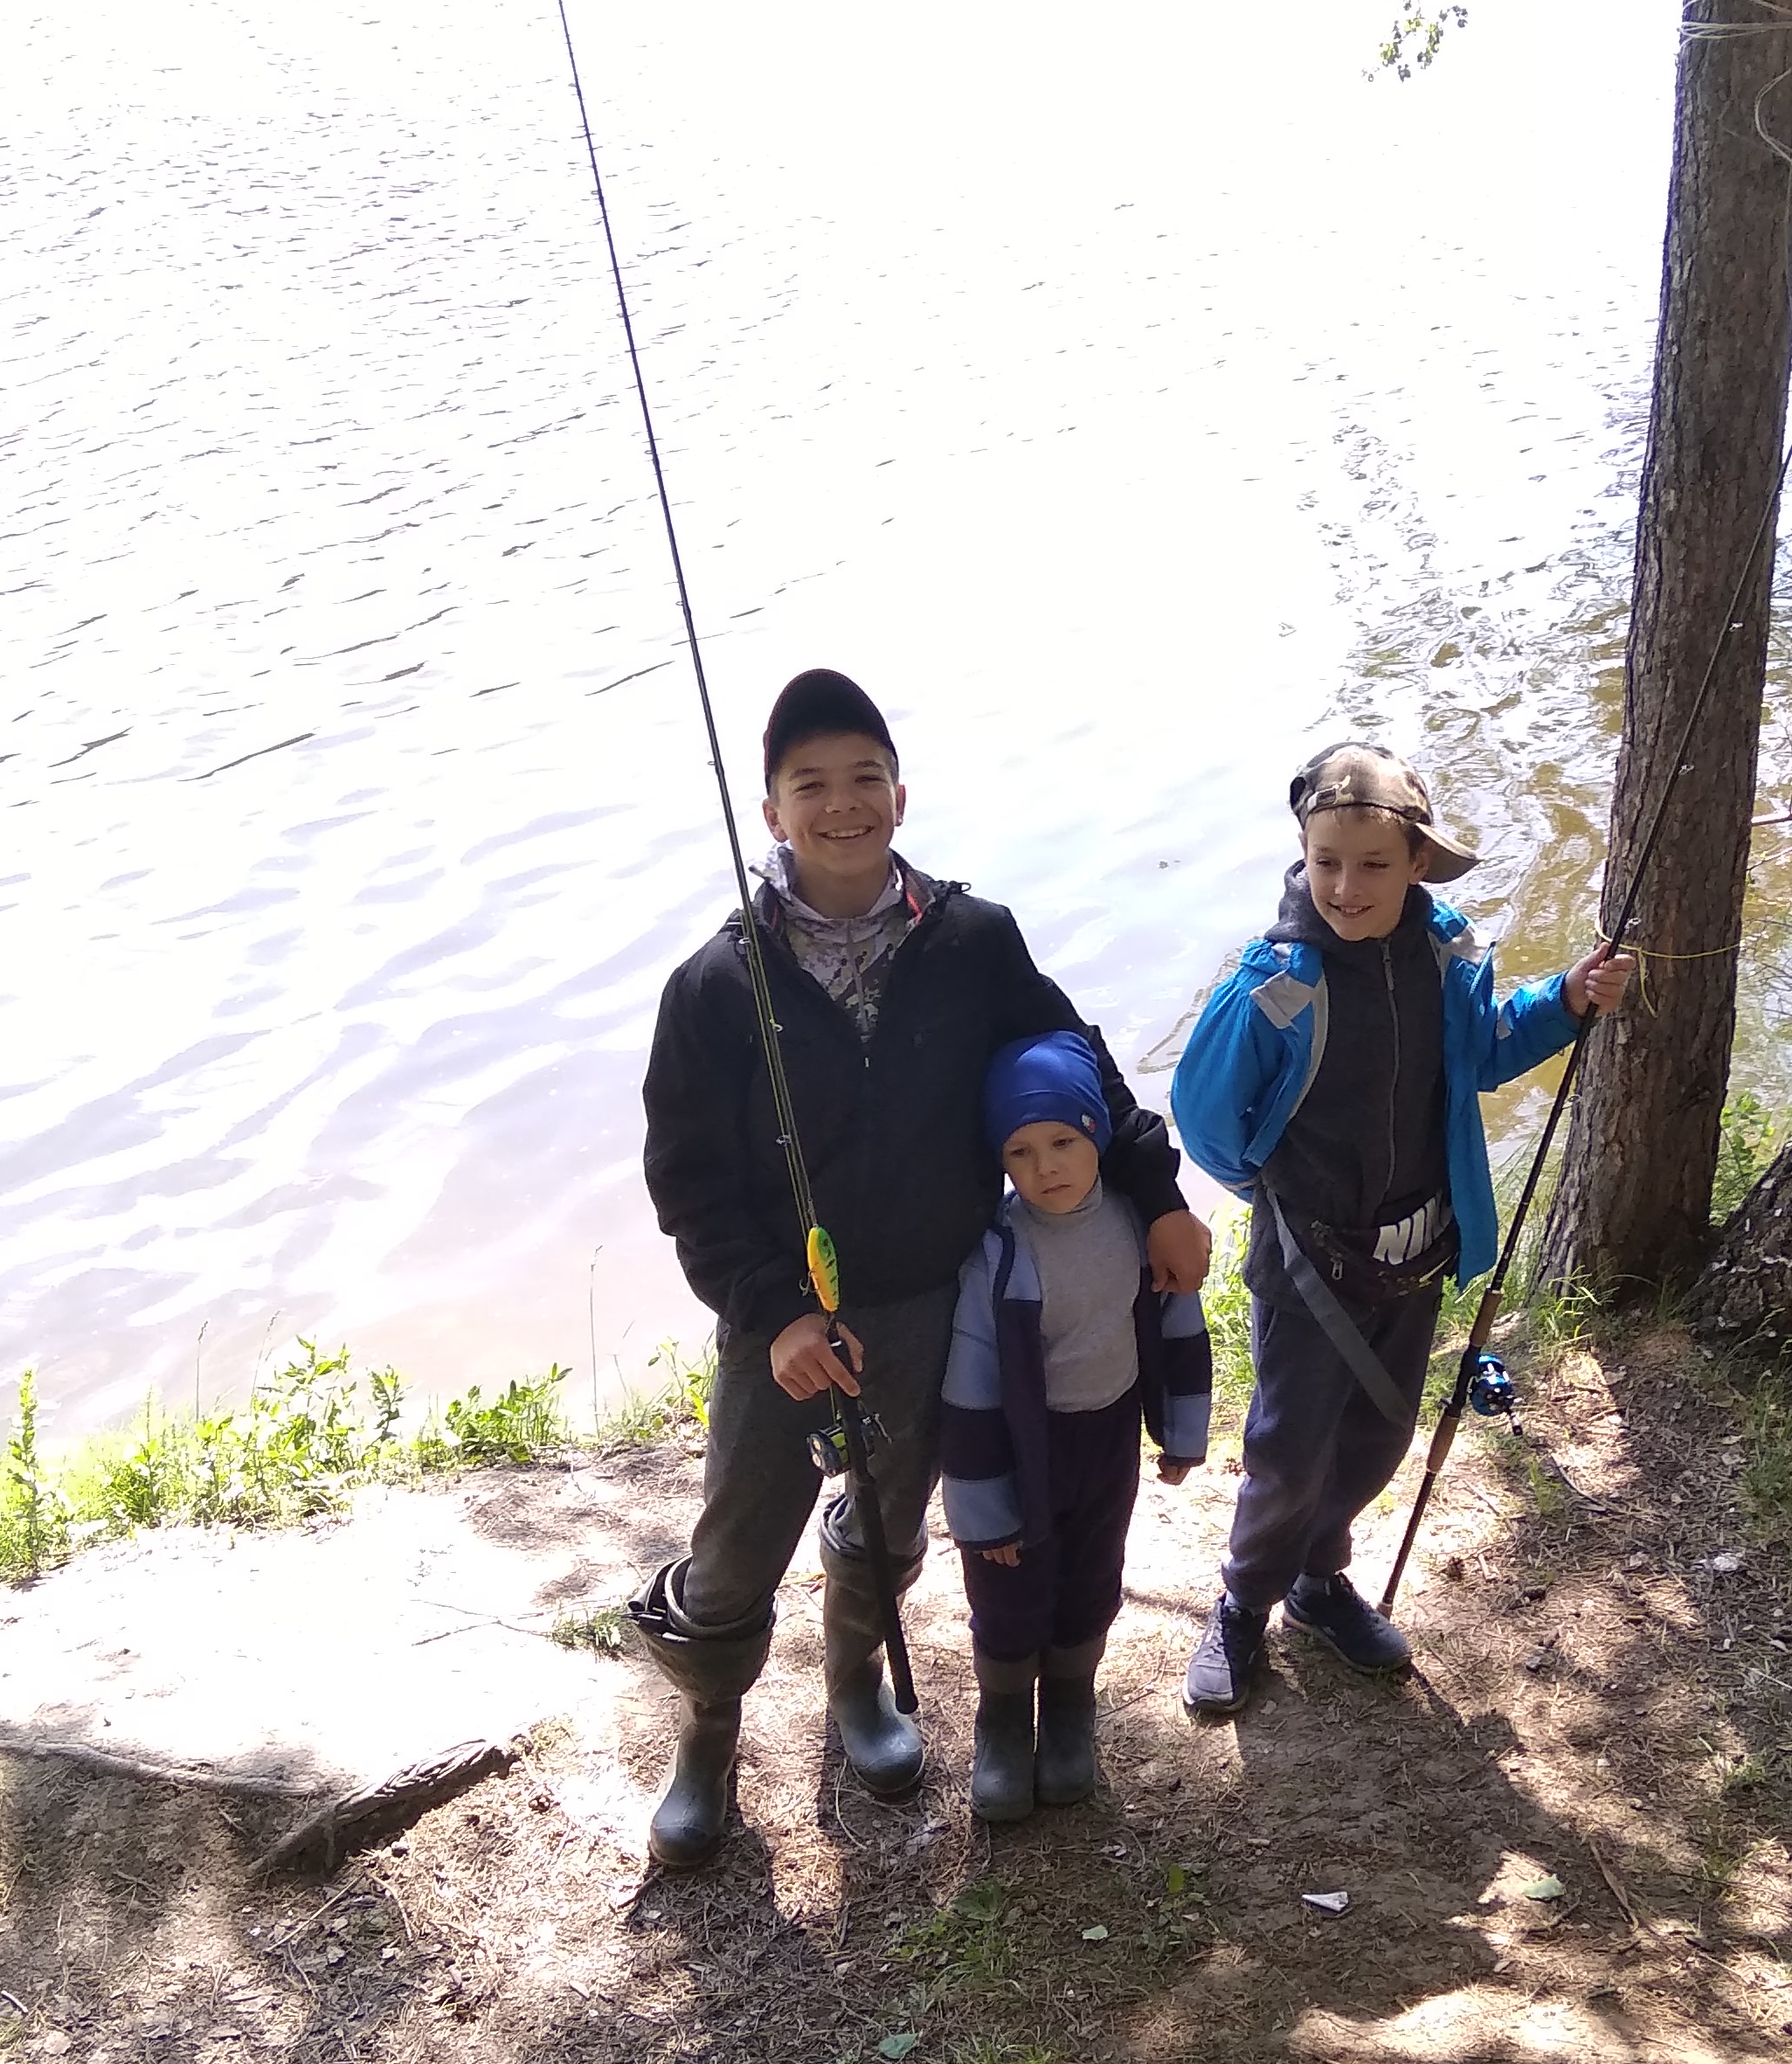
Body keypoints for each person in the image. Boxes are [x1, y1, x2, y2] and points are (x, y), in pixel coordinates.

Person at [635, 668, 1213, 1867]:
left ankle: (854, 1684)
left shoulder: (973, 940)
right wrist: (775, 1312)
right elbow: (687, 1181)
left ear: (900, 796)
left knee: (890, 1519)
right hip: (783, 1324)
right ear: (771, 812)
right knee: (738, 1537)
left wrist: (1156, 1194)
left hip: (933, 1299)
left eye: (865, 779)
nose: (841, 804)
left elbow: (1073, 1059)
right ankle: (707, 1732)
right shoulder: (714, 985)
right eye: (810, 786)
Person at [1167, 742, 1624, 1716]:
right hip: (1308, 1264)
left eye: (1373, 864)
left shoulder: (1446, 952)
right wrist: (1279, 1199)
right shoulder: (1275, 983)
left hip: (1416, 1250)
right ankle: (1243, 1601)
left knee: (1379, 1432)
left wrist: (1566, 1000)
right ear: (1302, 855)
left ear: (1417, 863)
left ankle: (1317, 1579)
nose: (1345, 886)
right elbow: (1205, 1120)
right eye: (1326, 862)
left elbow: (1485, 1052)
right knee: (1289, 1445)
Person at [940, 1033, 1213, 1822]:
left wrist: (1182, 1432)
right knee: (1009, 1588)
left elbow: (1179, 1326)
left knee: (1094, 1573)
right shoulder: (997, 1252)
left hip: (1110, 1439)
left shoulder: (1137, 1224)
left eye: (1063, 1142)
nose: (1045, 1168)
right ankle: (1002, 1722)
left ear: (1098, 1132)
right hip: (1026, 1450)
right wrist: (985, 1513)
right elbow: (970, 1389)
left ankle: (1069, 1708)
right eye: (1020, 1152)